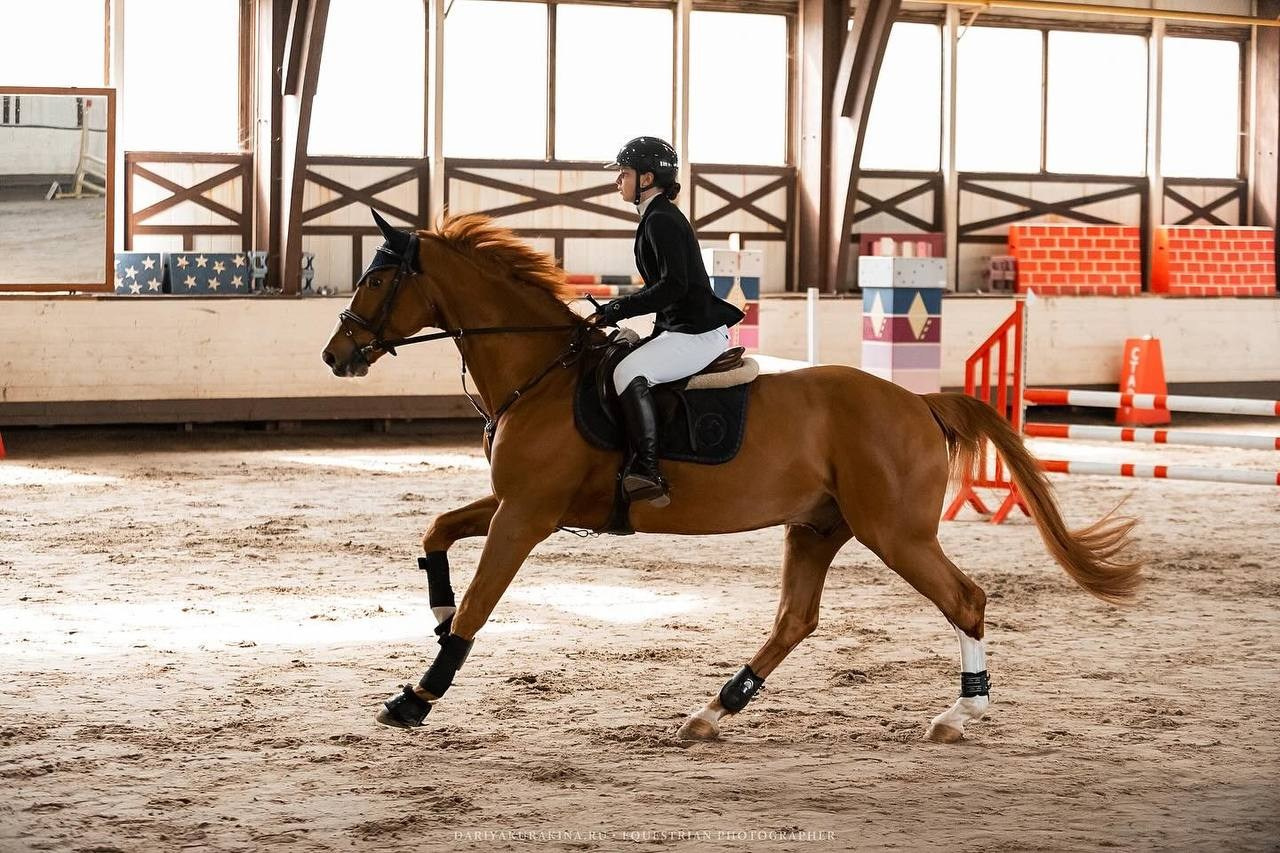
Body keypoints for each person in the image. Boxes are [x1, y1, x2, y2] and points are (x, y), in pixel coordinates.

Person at [587, 136, 745, 508]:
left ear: (646, 179)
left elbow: (673, 286)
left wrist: (618, 309)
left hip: (697, 334)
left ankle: (648, 468)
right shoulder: (655, 218)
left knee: (627, 373)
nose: (617, 182)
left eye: (623, 174)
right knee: (622, 356)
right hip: (679, 329)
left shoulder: (661, 221)